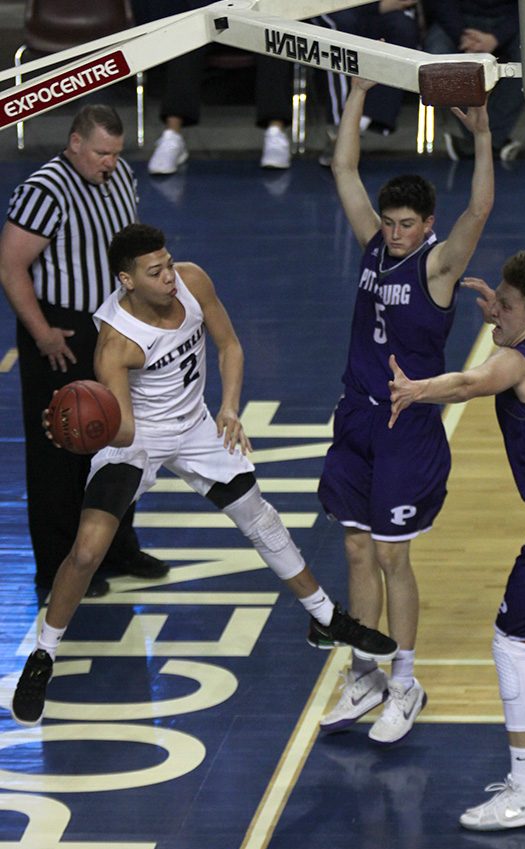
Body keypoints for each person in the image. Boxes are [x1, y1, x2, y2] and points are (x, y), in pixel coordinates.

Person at [10, 223, 398, 728]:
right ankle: (43, 655)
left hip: (195, 425)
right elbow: (123, 431)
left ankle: (327, 618)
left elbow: (230, 345)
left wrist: (231, 409)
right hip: (141, 438)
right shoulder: (115, 343)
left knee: (260, 518)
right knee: (86, 551)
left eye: (169, 263)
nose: (169, 276)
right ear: (126, 281)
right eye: (156, 272)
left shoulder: (193, 281)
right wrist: (79, 431)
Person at [388, 251, 525, 829]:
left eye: (503, 306)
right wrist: (506, 322)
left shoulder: (518, 359)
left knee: (512, 641)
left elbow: (470, 382)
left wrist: (417, 389)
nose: (493, 312)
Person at [314, 76, 493, 744]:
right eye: (388, 223)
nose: (392, 233)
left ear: (426, 227)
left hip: (406, 425)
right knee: (356, 546)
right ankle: (363, 670)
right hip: (355, 416)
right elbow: (344, 166)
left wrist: (481, 139)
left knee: (393, 556)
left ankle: (406, 681)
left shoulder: (438, 267)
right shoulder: (372, 244)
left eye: (404, 225)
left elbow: (479, 211)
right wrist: (359, 84)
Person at [0, 105, 168, 598]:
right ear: (75, 143)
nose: (109, 163)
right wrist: (42, 333)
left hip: (115, 326)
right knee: (61, 445)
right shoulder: (43, 191)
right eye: (100, 153)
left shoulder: (121, 177)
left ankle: (118, 547)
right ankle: (57, 564)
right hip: (62, 332)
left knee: (120, 439)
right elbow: (11, 268)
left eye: (115, 153)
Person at [132, 0, 295, 173]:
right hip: (206, 17)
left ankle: (275, 132)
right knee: (183, 37)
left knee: (275, 38)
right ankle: (172, 135)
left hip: (257, 17)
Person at [312, 1, 422, 166]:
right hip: (331, 7)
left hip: (381, 9)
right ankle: (341, 128)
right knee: (340, 26)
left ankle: (360, 123)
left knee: (403, 27)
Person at [422, 0, 524, 160]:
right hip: (456, 18)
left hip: (512, 19)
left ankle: (485, 138)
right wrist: (463, 36)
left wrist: (497, 37)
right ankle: (485, 141)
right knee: (437, 60)